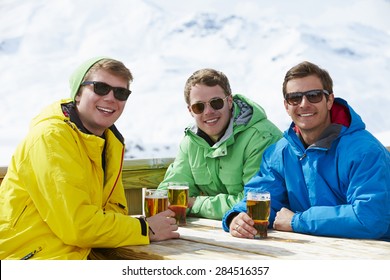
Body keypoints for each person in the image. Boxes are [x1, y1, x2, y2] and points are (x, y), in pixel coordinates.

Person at [0, 57, 179, 260]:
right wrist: (145, 228)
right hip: (31, 257)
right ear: (77, 94)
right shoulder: (52, 138)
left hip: (79, 252)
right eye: (101, 88)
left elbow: (114, 212)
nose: (111, 98)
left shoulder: (108, 143)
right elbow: (77, 226)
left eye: (121, 93)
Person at [222, 61, 390, 240]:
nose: (304, 104)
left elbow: (370, 218)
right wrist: (237, 218)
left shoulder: (365, 152)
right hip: (310, 252)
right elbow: (264, 197)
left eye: (314, 95)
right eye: (295, 98)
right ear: (286, 106)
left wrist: (297, 221)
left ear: (329, 100)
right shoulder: (280, 153)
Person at [158, 68, 282, 220]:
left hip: (267, 230)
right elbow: (170, 193)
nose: (208, 111)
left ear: (229, 101)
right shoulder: (190, 142)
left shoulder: (260, 137)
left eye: (216, 103)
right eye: (199, 107)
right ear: (190, 110)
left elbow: (254, 202)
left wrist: (195, 204)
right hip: (220, 230)